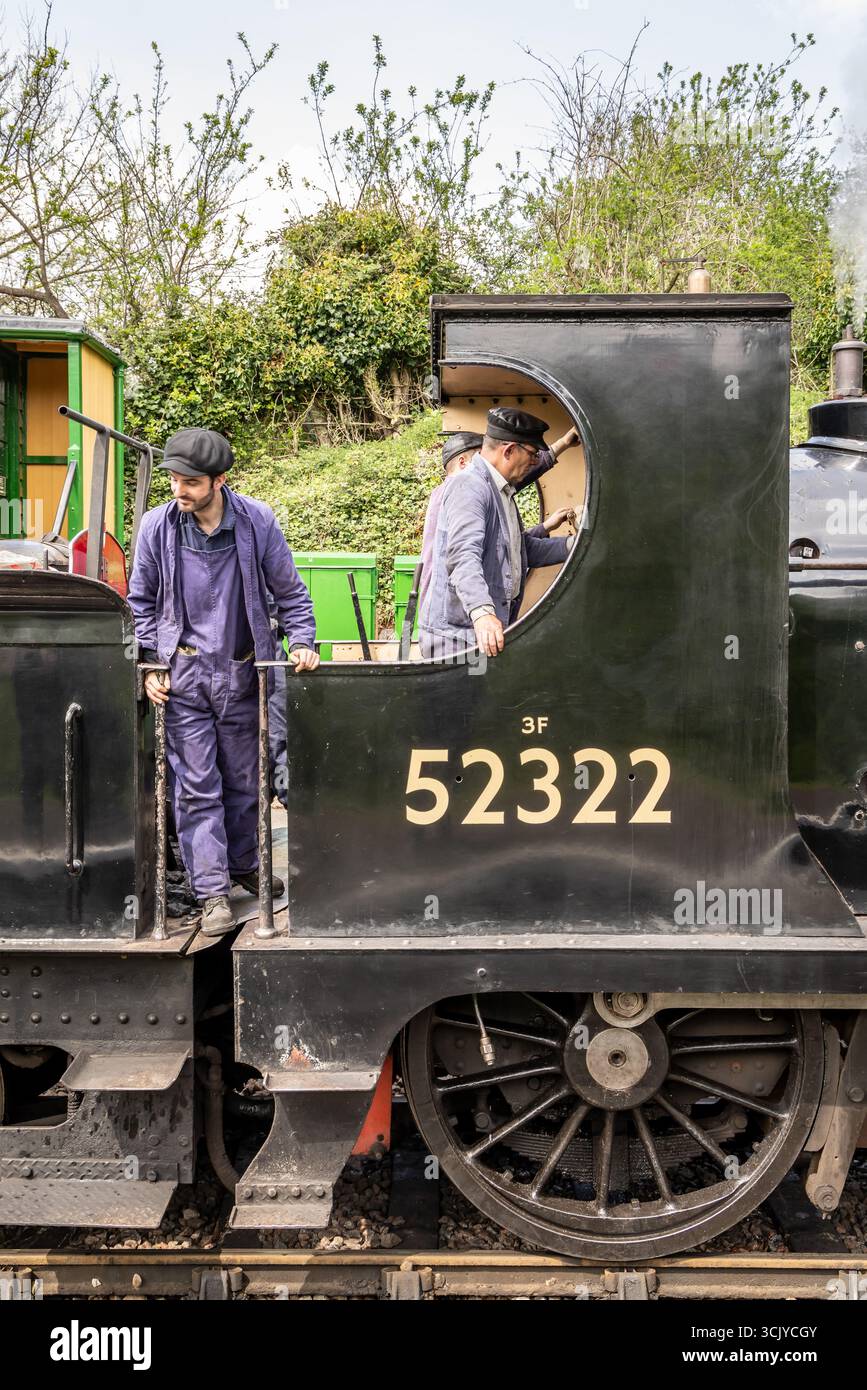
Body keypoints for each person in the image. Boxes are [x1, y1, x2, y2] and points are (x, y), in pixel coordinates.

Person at [127, 428, 318, 936]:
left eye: (190, 481)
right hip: (183, 676)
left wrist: (301, 641)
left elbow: (292, 593)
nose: (179, 489)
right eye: (174, 479)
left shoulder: (258, 522)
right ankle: (212, 891)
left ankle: (244, 866)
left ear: (219, 481)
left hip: (242, 671)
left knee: (245, 781)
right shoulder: (157, 527)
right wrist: (150, 664)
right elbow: (140, 603)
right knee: (196, 787)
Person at [419, 408, 577, 659]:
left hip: (478, 634)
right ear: (509, 450)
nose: (535, 461)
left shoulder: (501, 490)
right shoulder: (469, 486)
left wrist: (575, 545)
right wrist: (482, 613)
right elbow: (462, 556)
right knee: (465, 699)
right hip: (461, 638)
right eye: (533, 454)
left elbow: (522, 550)